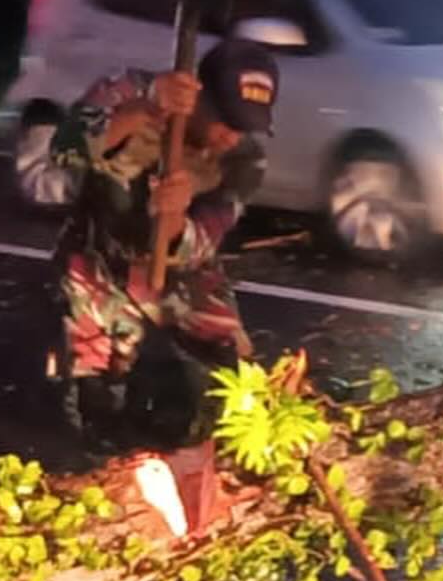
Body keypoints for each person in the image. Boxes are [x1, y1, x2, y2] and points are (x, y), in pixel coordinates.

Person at [49, 38, 280, 450]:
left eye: (243, 127)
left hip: (184, 269)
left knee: (234, 381)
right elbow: (64, 148)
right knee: (96, 403)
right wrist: (141, 111)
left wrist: (174, 218)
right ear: (201, 97)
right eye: (226, 120)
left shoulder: (245, 159)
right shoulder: (135, 90)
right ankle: (98, 399)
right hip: (103, 260)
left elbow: (206, 238)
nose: (231, 136)